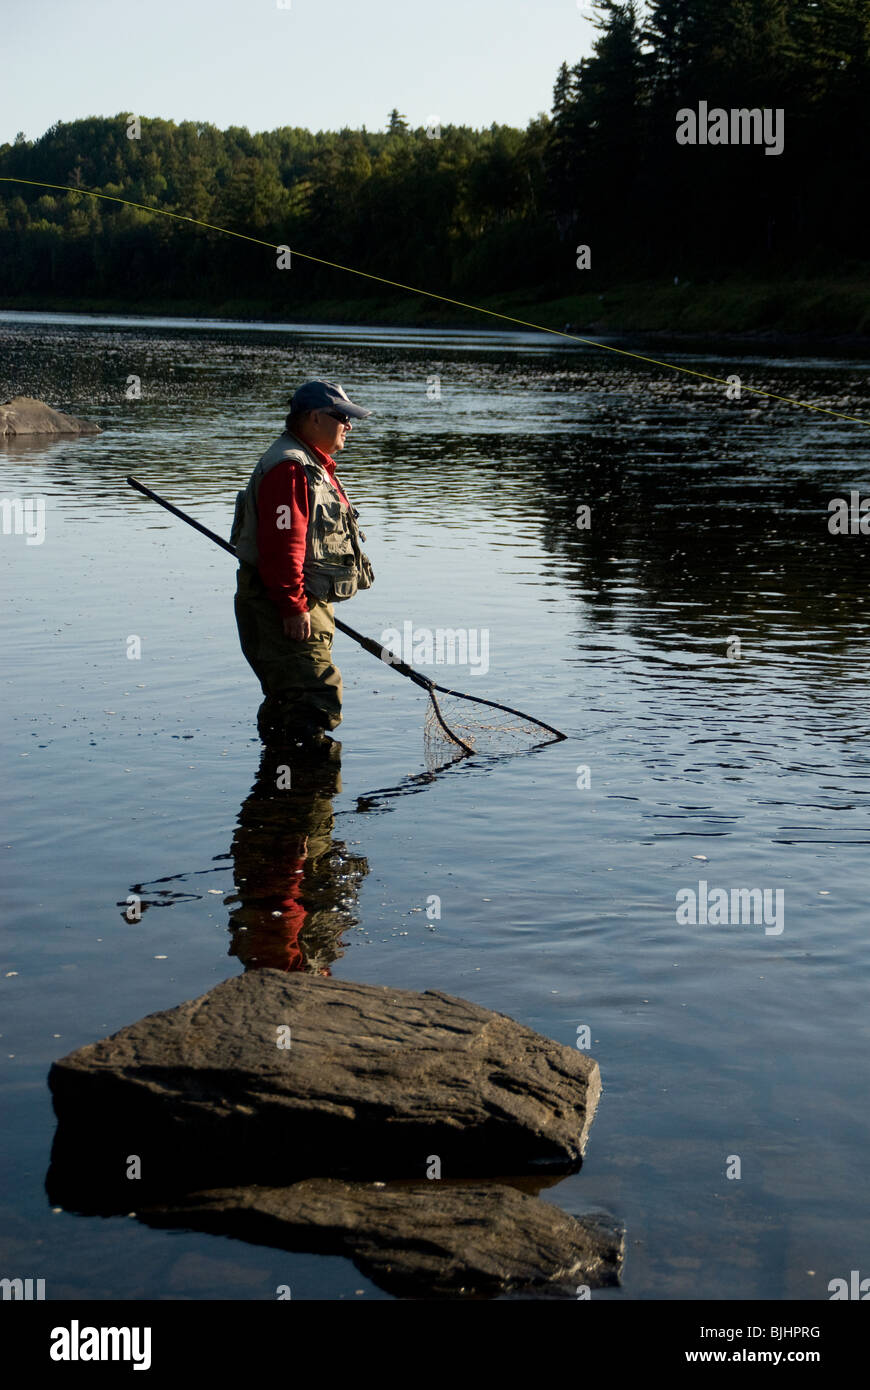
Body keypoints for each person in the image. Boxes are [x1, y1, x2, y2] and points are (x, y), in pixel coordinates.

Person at [232, 380, 375, 748]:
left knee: (290, 700)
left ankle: (280, 794)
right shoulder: (291, 469)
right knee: (315, 697)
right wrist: (293, 607)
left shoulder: (309, 463)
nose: (349, 425)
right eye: (342, 417)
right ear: (314, 418)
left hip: (299, 601)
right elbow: (282, 548)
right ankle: (306, 798)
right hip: (285, 604)